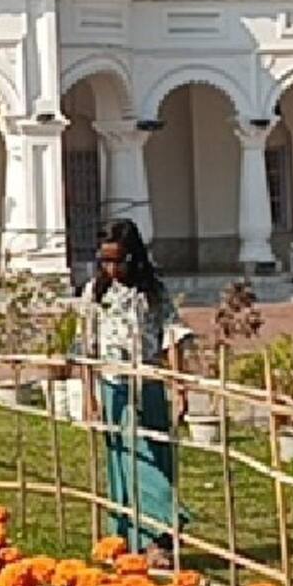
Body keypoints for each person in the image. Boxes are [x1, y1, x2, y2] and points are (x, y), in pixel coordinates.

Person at [80, 219, 189, 562]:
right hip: (115, 385)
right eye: (105, 261)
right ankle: (134, 535)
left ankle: (162, 533)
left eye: (118, 260)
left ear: (134, 257)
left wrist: (179, 385)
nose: (112, 268)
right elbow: (87, 346)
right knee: (125, 458)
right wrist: (88, 394)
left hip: (149, 382)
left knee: (151, 454)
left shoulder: (151, 293)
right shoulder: (96, 294)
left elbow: (171, 334)